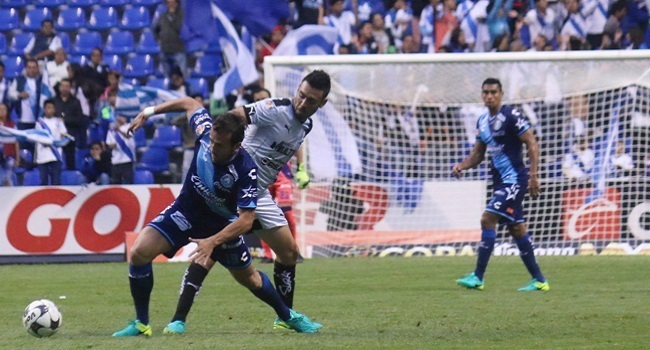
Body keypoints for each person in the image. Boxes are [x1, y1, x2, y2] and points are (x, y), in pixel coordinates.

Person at [112, 97, 321, 336]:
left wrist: (213, 241)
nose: (212, 148)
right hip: (185, 212)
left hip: (220, 225)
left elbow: (245, 220)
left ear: (236, 146)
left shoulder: (245, 170)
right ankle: (142, 323)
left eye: (219, 145)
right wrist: (148, 111)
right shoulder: (205, 132)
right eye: (212, 141)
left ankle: (288, 316)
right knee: (139, 252)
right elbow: (191, 103)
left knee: (250, 278)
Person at [164, 71, 330, 334]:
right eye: (301, 95)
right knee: (212, 250)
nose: (302, 103)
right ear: (296, 90)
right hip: (234, 187)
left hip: (259, 194)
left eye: (310, 101)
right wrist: (231, 156)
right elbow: (232, 117)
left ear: (321, 104)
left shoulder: (305, 125)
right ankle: (178, 320)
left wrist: (300, 167)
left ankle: (286, 317)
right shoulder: (273, 109)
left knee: (288, 253)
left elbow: (294, 140)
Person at [453, 77, 549, 292]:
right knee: (516, 228)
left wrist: (534, 175)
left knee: (487, 219)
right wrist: (462, 165)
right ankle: (540, 280)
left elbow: (531, 142)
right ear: (482, 95)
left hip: (515, 179)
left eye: (493, 92)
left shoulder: (511, 116)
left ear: (501, 94)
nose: (489, 96)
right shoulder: (482, 122)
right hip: (500, 182)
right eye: (486, 92)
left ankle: (477, 277)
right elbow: (478, 154)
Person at [54, 78, 87, 170]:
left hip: (70, 136)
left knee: (70, 161)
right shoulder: (54, 101)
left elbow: (79, 119)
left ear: (70, 88)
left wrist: (64, 120)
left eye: (67, 86)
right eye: (63, 86)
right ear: (59, 87)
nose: (64, 88)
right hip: (56, 136)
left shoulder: (76, 102)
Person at [35, 99, 68, 185]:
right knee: (43, 181)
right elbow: (39, 137)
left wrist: (61, 139)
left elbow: (63, 134)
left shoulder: (59, 121)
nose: (50, 110)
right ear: (44, 109)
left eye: (52, 108)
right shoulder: (39, 123)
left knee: (56, 181)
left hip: (56, 155)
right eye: (48, 108)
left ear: (54, 109)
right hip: (43, 156)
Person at [152, 0, 187, 77]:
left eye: (172, 3)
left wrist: (173, 16)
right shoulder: (163, 16)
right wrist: (157, 38)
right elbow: (155, 29)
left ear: (177, 3)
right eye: (168, 3)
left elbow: (179, 28)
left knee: (182, 75)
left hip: (178, 50)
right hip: (165, 50)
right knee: (166, 76)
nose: (170, 5)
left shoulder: (182, 15)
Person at [105, 115, 135, 184]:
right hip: (116, 161)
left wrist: (118, 129)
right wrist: (113, 145)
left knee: (128, 183)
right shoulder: (111, 130)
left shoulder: (130, 126)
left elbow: (128, 136)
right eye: (120, 116)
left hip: (127, 160)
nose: (123, 118)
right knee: (115, 184)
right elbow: (109, 144)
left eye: (124, 116)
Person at [0, 103, 20, 186]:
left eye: (4, 109)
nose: (1, 111)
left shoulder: (12, 125)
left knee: (7, 180)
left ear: (7, 111)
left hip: (9, 156)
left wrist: (17, 158)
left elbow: (16, 142)